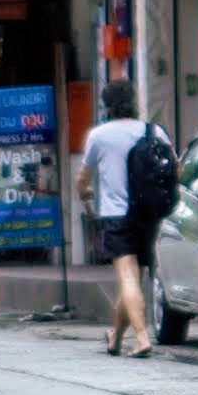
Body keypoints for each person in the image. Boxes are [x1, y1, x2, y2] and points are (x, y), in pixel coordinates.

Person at [76, 105, 162, 355]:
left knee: (127, 279)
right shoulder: (152, 130)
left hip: (116, 215)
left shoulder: (99, 135)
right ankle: (116, 336)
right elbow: (173, 167)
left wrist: (85, 192)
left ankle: (142, 337)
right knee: (134, 281)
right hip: (147, 214)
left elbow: (83, 177)